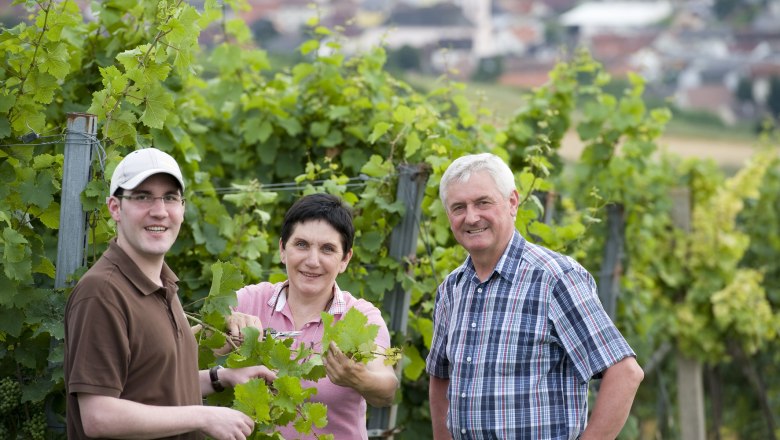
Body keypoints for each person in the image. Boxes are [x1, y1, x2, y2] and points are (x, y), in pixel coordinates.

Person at [426, 153, 644, 439]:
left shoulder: (554, 278)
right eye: (458, 207)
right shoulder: (452, 289)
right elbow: (440, 378)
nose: (471, 217)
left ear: (513, 202)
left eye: (483, 202)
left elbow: (625, 373)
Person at [64, 148, 276, 440]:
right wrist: (203, 415)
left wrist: (222, 378)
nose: (160, 210)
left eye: (170, 197)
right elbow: (99, 415)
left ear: (182, 207)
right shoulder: (102, 293)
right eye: (142, 196)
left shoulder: (163, 284)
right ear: (115, 207)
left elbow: (155, 388)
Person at [224, 193, 399, 439]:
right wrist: (221, 327)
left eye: (328, 249)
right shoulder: (250, 301)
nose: (313, 261)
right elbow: (183, 352)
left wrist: (359, 378)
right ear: (283, 249)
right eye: (302, 245)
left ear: (345, 259)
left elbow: (387, 388)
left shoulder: (361, 317)